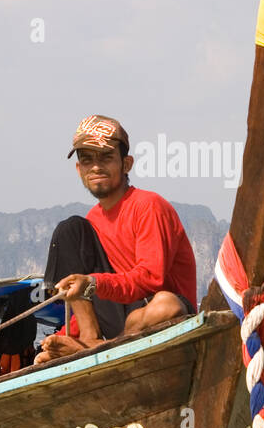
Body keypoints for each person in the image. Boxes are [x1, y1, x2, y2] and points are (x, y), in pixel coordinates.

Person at [35, 115, 197, 363]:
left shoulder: (148, 206)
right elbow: (84, 298)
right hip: (119, 319)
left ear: (126, 163)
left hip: (154, 312)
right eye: (87, 160)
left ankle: (97, 348)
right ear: (79, 170)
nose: (96, 167)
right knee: (69, 229)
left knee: (166, 304)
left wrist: (92, 283)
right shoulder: (92, 222)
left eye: (106, 158)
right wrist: (61, 340)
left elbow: (151, 279)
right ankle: (90, 341)